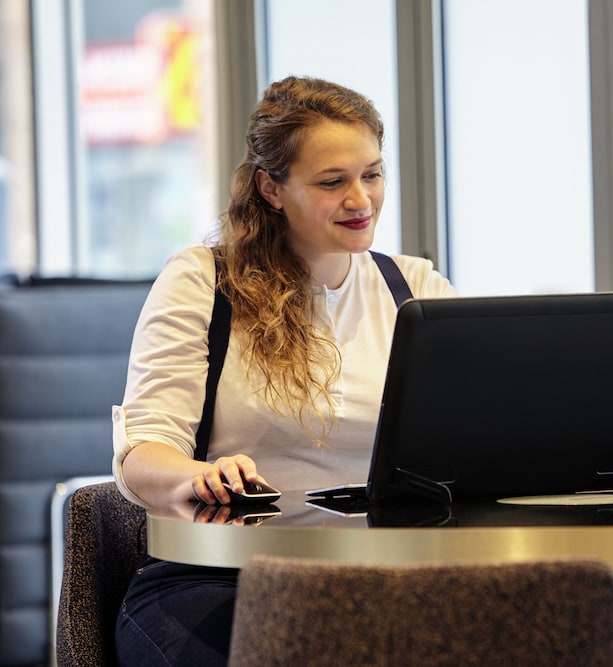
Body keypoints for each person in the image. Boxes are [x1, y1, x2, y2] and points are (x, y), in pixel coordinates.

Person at [111, 76, 456, 665]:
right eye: (332, 182)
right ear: (271, 188)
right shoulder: (203, 281)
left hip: (384, 577)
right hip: (223, 579)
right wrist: (195, 477)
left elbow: (473, 437)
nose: (361, 200)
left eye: (372, 174)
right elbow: (143, 452)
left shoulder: (416, 290)